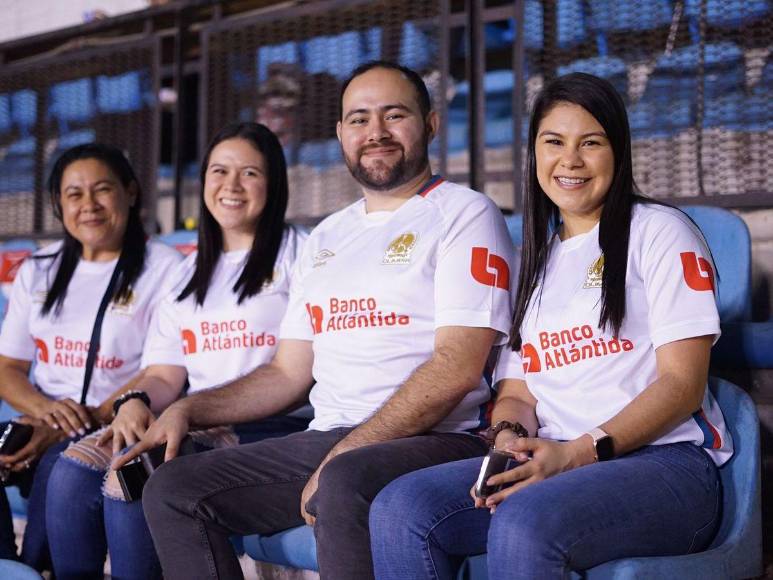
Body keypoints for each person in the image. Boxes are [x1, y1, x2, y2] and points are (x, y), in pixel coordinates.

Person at [113, 61, 515, 580]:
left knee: (345, 479)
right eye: (359, 119)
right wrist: (189, 408)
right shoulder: (327, 235)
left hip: (436, 437)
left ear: (431, 124)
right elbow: (287, 373)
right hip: (331, 438)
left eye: (394, 115)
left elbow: (456, 368)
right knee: (174, 489)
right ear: (341, 133)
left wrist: (349, 448)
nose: (376, 132)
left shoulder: (466, 213)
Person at [369, 72, 732, 579]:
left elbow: (682, 384)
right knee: (401, 509)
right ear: (534, 153)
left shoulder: (661, 232)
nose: (571, 160)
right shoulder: (534, 262)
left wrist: (578, 453)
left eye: (591, 143)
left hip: (664, 465)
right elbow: (517, 391)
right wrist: (510, 438)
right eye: (554, 142)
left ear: (618, 151)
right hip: (557, 461)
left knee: (523, 522)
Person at [44, 123, 309, 580]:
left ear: (275, 182)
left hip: (275, 426)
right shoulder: (186, 273)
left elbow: (295, 375)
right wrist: (135, 401)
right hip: (200, 423)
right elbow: (165, 375)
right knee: (73, 470)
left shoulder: (301, 254)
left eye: (249, 173)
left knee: (135, 476)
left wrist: (186, 411)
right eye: (219, 171)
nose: (231, 185)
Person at [0, 143, 182, 570]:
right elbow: (8, 368)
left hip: (112, 422)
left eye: (102, 189)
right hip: (45, 416)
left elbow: (159, 371)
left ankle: (37, 570)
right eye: (74, 194)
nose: (89, 205)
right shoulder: (38, 269)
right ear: (58, 204)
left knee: (59, 466)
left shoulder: (166, 268)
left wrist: (76, 423)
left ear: (130, 192)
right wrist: (46, 414)